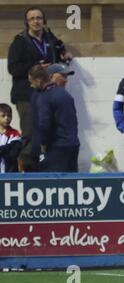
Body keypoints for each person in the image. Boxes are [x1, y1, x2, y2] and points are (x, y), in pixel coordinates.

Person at [7, 6, 72, 172]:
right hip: (26, 95)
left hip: (47, 94)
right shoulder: (19, 42)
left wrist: (64, 53)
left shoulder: (50, 38)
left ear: (44, 21)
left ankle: (44, 170)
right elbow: (13, 68)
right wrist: (35, 67)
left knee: (48, 132)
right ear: (27, 22)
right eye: (32, 19)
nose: (36, 21)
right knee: (30, 134)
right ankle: (26, 171)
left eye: (39, 18)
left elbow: (59, 48)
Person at [28, 65, 79, 172]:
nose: (31, 85)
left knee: (53, 185)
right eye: (63, 76)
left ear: (38, 80)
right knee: (71, 184)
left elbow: (44, 124)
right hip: (72, 145)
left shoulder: (45, 96)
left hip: (56, 148)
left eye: (32, 81)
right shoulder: (65, 94)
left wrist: (42, 145)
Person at [0, 103, 22, 173]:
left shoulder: (15, 133)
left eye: (9, 116)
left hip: (10, 172)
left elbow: (14, 153)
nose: (7, 118)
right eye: (3, 116)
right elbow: (9, 149)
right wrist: (7, 149)